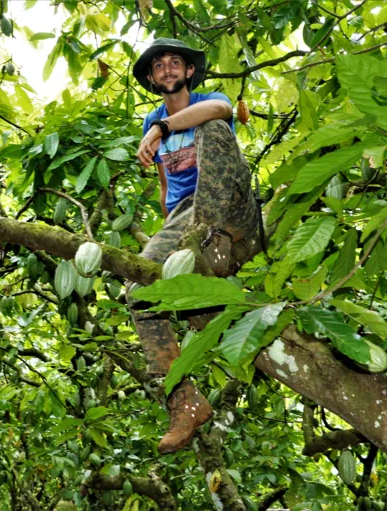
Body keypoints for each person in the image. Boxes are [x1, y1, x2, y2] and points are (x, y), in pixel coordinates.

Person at [129, 38, 263, 453]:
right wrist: (168, 240)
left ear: (189, 72)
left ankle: (212, 241)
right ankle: (183, 401)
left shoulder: (206, 101)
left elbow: (221, 113)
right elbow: (167, 188)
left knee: (211, 127)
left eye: (175, 63)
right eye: (159, 66)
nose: (167, 69)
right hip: (187, 219)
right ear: (152, 79)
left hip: (232, 211)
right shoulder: (154, 122)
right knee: (139, 290)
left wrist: (162, 127)